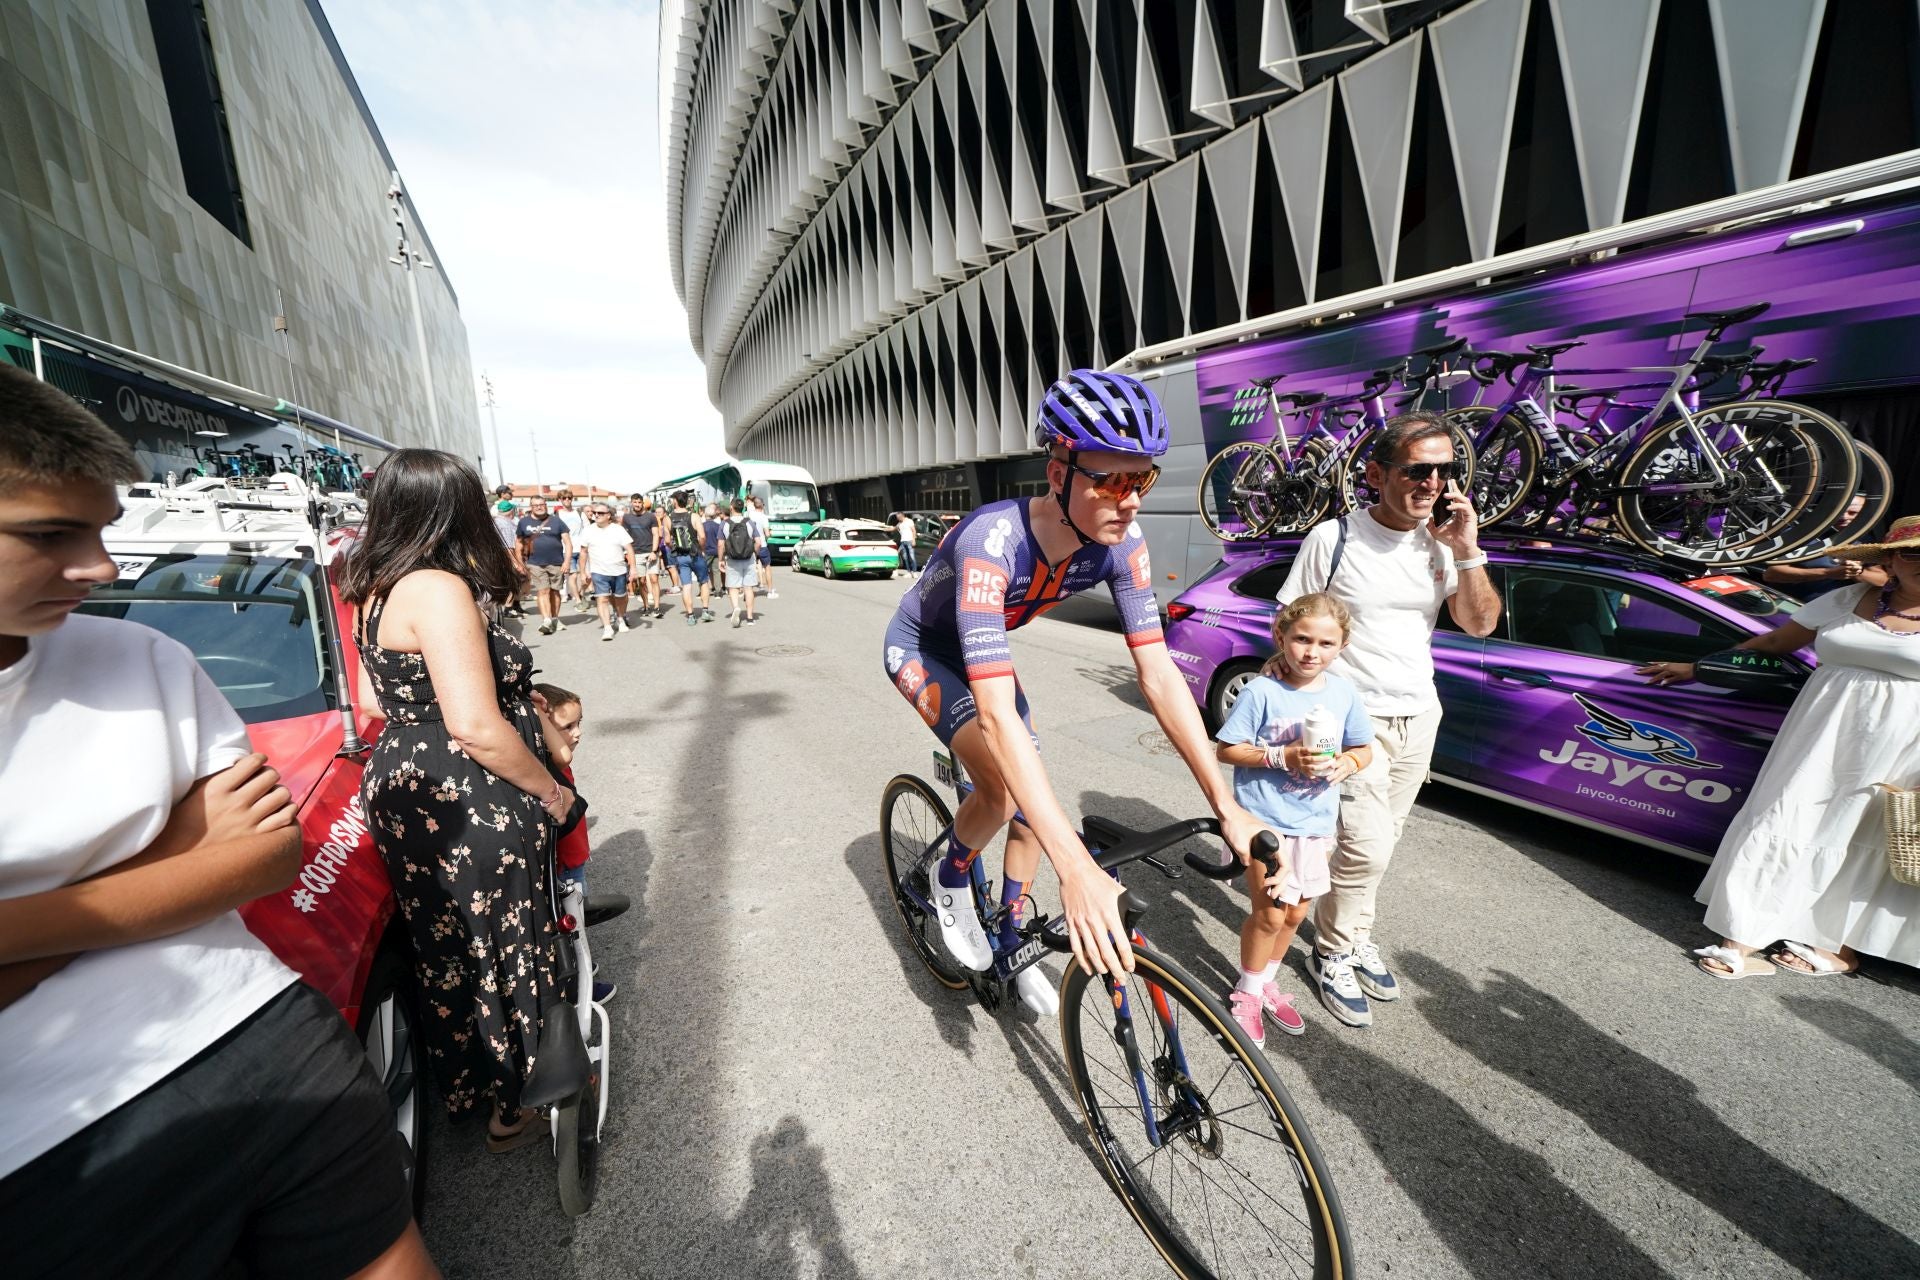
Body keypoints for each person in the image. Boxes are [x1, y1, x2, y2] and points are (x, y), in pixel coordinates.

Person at [0, 368, 436, 1278]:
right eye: (50, 534)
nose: (102, 569)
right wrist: (175, 854)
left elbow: (271, 853)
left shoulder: (141, 653)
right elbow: (228, 858)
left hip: (262, 1032)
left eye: (102, 530)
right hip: (48, 1150)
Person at [881, 368, 1266, 1016]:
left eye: (1140, 478)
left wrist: (1225, 807)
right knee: (1004, 793)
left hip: (982, 660)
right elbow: (998, 717)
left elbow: (1160, 674)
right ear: (1057, 472)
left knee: (1039, 807)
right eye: (1111, 480)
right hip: (923, 650)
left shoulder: (1121, 544)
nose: (1131, 498)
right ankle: (949, 882)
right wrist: (1077, 870)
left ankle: (1007, 932)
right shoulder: (991, 543)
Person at [342, 449, 565, 1154]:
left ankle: (469, 1087)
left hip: (407, 778)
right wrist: (552, 790)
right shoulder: (437, 588)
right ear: (457, 510)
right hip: (469, 786)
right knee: (506, 938)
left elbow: (369, 698)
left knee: (448, 943)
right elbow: (473, 724)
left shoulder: (373, 586)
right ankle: (518, 1100)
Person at [1277, 411, 1500, 1028]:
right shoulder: (1334, 539)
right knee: (1365, 847)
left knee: (1382, 842)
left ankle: (1354, 935)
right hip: (1353, 717)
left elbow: (1479, 622)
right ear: (1376, 474)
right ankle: (1335, 952)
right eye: (1417, 470)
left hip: (1419, 713)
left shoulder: (1445, 542)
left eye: (1445, 470)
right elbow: (1291, 627)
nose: (1433, 483)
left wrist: (1469, 550)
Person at [1639, 513, 1920, 979]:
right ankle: (1741, 941)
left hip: (1901, 747)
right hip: (1818, 736)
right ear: (1890, 559)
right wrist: (1698, 667)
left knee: (1866, 839)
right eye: (1912, 552)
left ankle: (1840, 950)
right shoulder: (1848, 598)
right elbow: (1773, 642)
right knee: (1784, 815)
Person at [1213, 594, 1374, 1046]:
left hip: (1314, 823)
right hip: (1264, 821)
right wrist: (1282, 755)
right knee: (1269, 914)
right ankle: (1245, 992)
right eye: (1301, 639)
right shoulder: (1261, 690)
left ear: (1341, 646)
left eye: (1326, 643)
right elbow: (1226, 748)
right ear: (1280, 636)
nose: (1311, 652)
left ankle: (1266, 980)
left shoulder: (1343, 693)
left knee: (1296, 914)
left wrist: (1349, 764)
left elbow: (1364, 747)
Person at [531, 683, 615, 1004]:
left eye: (580, 723)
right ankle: (581, 991)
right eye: (567, 727)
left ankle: (579, 971)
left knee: (574, 927)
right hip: (563, 869)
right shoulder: (546, 770)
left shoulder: (558, 764)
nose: (577, 733)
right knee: (571, 930)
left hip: (573, 862)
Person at [1761, 495, 1889, 601]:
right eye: (1840, 511)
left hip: (1830, 611)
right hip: (1786, 604)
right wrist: (1828, 573)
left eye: (1852, 513)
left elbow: (1881, 581)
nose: (1844, 517)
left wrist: (1855, 572)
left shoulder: (1865, 542)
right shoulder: (1803, 535)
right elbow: (1772, 574)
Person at [578, 502, 638, 640]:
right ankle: (607, 628)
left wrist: (633, 568)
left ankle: (620, 618)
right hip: (598, 571)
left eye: (600, 513)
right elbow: (583, 552)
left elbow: (629, 549)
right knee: (602, 599)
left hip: (619, 570)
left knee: (621, 597)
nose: (596, 515)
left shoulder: (618, 529)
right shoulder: (588, 530)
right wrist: (583, 572)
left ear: (609, 515)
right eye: (595, 513)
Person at [516, 494, 572, 635]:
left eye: (542, 504)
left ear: (546, 505)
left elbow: (568, 543)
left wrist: (567, 561)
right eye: (536, 505)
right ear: (531, 507)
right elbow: (518, 543)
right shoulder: (524, 522)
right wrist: (519, 562)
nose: (540, 507)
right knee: (543, 590)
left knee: (555, 591)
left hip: (557, 562)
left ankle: (554, 618)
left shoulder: (556, 521)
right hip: (535, 563)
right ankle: (546, 620)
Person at [665, 490, 711, 626]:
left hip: (681, 556)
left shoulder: (668, 518)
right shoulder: (694, 516)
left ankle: (690, 615)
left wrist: (674, 547)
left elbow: (667, 540)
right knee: (703, 582)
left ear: (675, 501)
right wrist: (702, 549)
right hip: (696, 554)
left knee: (686, 585)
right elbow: (702, 537)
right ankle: (705, 611)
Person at [623, 494, 663, 619]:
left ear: (642, 503)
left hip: (650, 551)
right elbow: (624, 536)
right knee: (642, 581)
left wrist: (654, 551)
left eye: (639, 502)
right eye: (635, 502)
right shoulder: (627, 518)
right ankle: (646, 606)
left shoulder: (651, 517)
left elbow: (656, 534)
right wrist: (627, 553)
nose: (637, 504)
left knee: (654, 579)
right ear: (631, 503)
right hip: (636, 553)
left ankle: (656, 607)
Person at [723, 498, 761, 627]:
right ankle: (750, 618)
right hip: (748, 559)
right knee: (748, 588)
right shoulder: (749, 522)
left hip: (732, 560)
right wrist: (753, 553)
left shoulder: (725, 524)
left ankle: (736, 608)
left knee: (733, 587)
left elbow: (720, 544)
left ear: (731, 508)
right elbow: (758, 542)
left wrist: (721, 559)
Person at [493, 497, 528, 618]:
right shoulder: (505, 524)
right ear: (511, 511)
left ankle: (515, 605)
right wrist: (516, 562)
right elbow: (508, 545)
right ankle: (509, 608)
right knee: (513, 581)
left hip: (503, 557)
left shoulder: (496, 521)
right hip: (509, 557)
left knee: (518, 581)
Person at [552, 490, 586, 604]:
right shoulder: (558, 515)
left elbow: (587, 529)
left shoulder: (580, 513)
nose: (567, 500)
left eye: (569, 498)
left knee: (586, 575)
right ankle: (577, 599)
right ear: (560, 500)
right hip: (567, 549)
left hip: (582, 548)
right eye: (564, 498)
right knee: (573, 576)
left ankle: (580, 593)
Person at [748, 494, 778, 597]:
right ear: (762, 506)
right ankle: (769, 591)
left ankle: (748, 592)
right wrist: (770, 533)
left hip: (751, 545)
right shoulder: (764, 517)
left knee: (750, 568)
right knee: (767, 567)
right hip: (762, 545)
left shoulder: (749, 515)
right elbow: (767, 534)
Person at [702, 502, 727, 609]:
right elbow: (721, 540)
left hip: (706, 551)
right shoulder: (718, 526)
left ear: (706, 515)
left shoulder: (702, 526)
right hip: (716, 551)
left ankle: (705, 589)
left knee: (704, 571)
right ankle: (718, 591)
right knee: (716, 571)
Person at [895, 510, 919, 575]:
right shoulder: (899, 523)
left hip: (909, 541)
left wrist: (914, 540)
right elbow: (894, 528)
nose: (898, 519)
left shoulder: (909, 521)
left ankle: (914, 572)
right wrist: (884, 528)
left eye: (899, 518)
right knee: (905, 558)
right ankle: (908, 572)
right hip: (903, 542)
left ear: (902, 516)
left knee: (912, 557)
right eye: (897, 518)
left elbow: (914, 531)